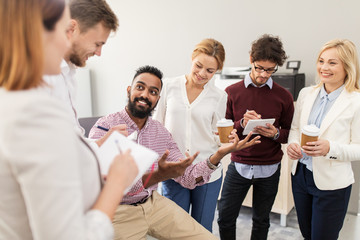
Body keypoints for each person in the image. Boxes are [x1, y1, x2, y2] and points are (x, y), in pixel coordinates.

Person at [0, 0, 138, 239]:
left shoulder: (19, 98)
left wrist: (95, 148)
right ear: (37, 33)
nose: (67, 41)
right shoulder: (36, 111)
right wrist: (117, 183)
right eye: (65, 29)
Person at [89, 65, 260, 240]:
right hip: (119, 212)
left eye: (153, 92)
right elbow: (104, 184)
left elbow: (188, 177)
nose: (145, 95)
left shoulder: (160, 132)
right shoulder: (106, 127)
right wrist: (157, 175)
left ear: (158, 99)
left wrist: (218, 155)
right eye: (140, 87)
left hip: (153, 203)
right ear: (129, 90)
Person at [217, 34, 294, 240]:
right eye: (259, 67)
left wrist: (275, 133)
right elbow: (223, 131)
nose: (263, 74)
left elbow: (289, 134)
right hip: (239, 165)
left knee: (261, 221)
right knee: (225, 217)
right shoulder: (231, 92)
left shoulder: (284, 96)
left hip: (269, 169)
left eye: (270, 70)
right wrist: (241, 123)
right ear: (251, 59)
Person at [287, 39, 360, 240]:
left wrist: (330, 148)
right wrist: (293, 145)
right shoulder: (306, 94)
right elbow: (295, 128)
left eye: (332, 63)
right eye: (321, 61)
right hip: (300, 175)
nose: (324, 68)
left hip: (332, 184)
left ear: (347, 66)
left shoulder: (356, 101)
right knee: (307, 234)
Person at [153, 38, 227, 232]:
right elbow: (156, 127)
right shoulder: (168, 86)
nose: (202, 74)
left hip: (207, 172)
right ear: (192, 58)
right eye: (198, 66)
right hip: (173, 170)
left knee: (201, 229)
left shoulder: (219, 96)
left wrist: (229, 139)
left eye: (210, 71)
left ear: (217, 71)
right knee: (175, 228)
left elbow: (217, 135)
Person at [43, 0, 125, 144]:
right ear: (72, 28)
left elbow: (73, 142)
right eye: (97, 44)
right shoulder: (43, 74)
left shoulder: (69, 74)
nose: (99, 53)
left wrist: (102, 142)